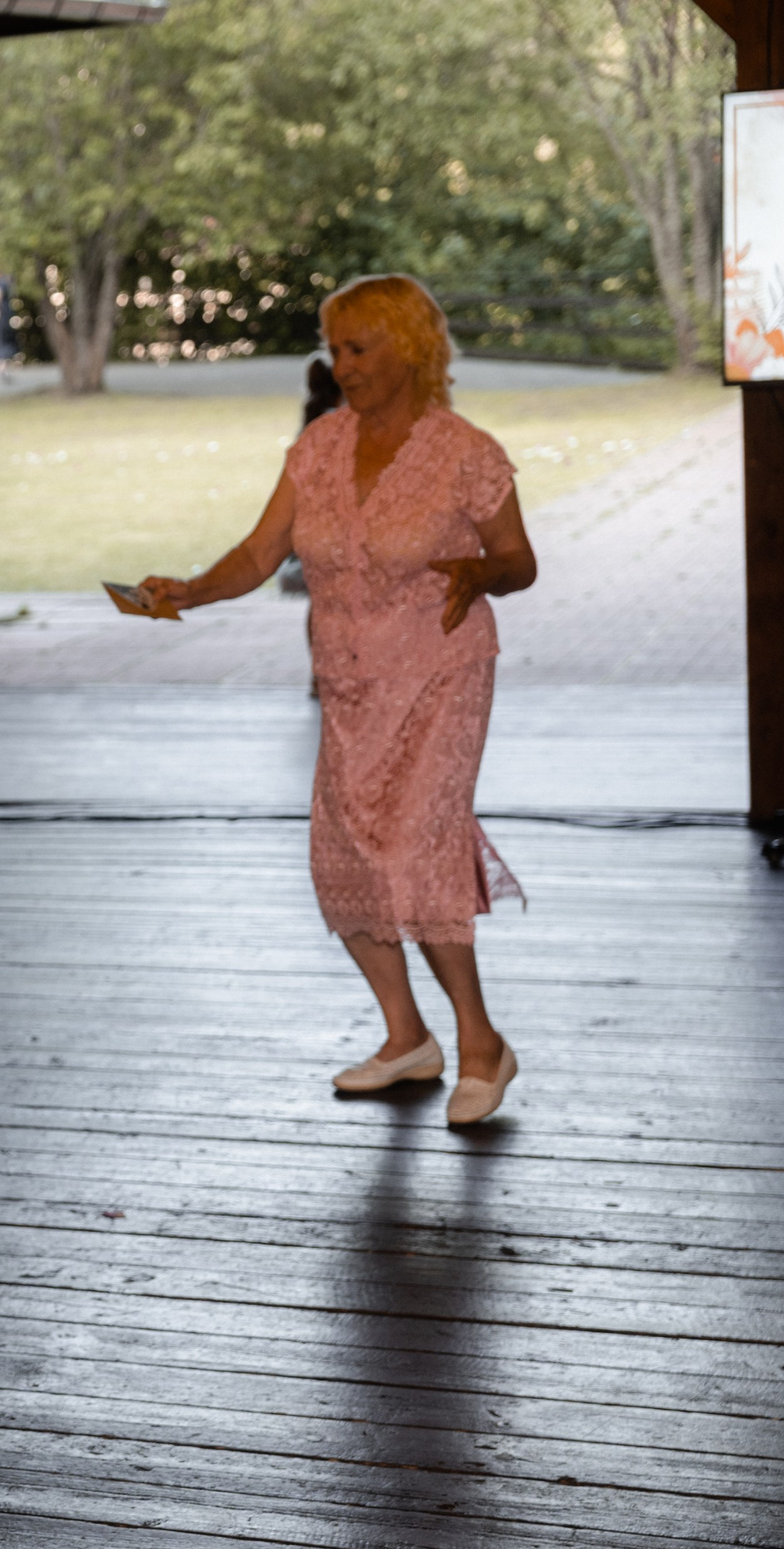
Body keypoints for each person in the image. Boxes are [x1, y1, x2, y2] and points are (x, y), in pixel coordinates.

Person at [132, 274, 536, 1125]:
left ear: (412, 350)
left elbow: (519, 561)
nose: (341, 365)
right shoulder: (317, 448)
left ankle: (481, 1043)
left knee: (416, 854)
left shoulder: (466, 451)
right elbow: (258, 553)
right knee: (344, 857)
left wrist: (482, 571)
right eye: (335, 349)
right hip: (349, 686)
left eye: (358, 348)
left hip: (440, 674)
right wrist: (189, 591)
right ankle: (405, 1039)